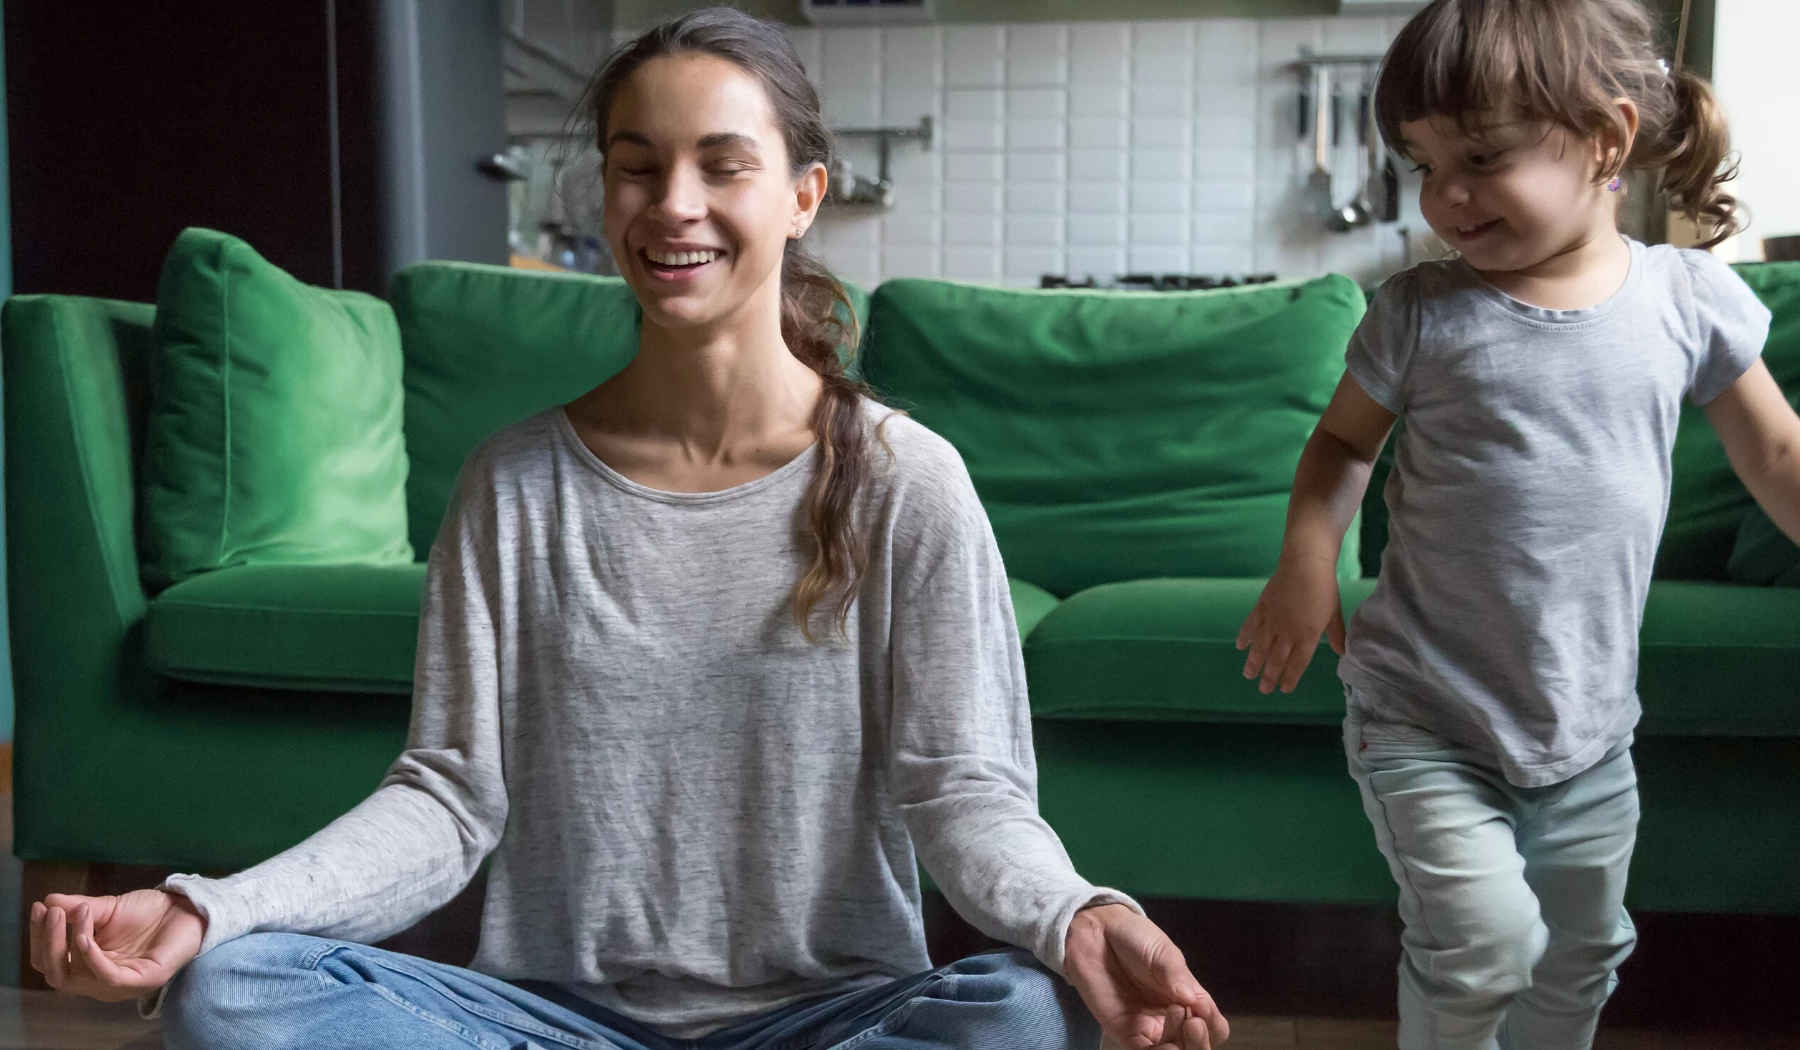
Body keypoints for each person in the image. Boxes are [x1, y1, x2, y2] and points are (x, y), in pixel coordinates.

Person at [28, 10, 1229, 1050]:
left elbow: (965, 793)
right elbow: (446, 802)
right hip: (545, 1020)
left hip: (832, 1015)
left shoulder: (908, 482)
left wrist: (1079, 914)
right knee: (232, 994)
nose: (675, 206)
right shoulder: (512, 486)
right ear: (604, 192)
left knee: (1027, 1012)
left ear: (806, 194)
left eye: (723, 164)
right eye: (637, 166)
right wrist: (209, 911)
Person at [1234, 1, 1794, 1047]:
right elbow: (1341, 449)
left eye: (1481, 158)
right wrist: (1308, 561)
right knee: (1485, 944)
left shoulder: (1688, 299)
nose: (1447, 196)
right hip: (1424, 717)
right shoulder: (1420, 313)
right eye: (1422, 165)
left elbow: (1776, 453)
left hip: (1587, 727)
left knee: (1584, 954)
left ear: (1608, 141)